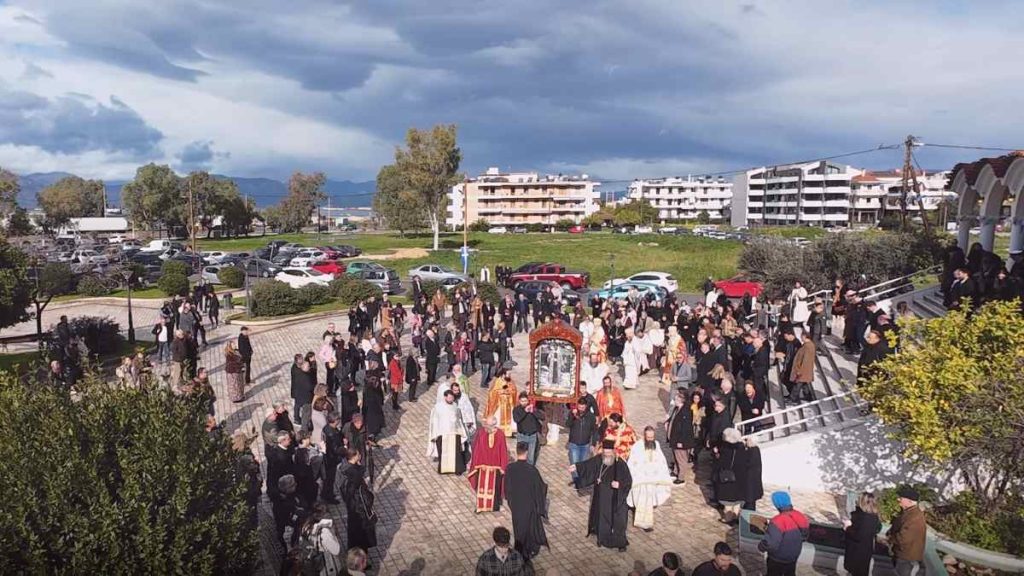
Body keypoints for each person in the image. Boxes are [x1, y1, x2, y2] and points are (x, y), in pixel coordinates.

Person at [572, 439, 632, 551]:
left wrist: (619, 484)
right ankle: (603, 538)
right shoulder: (600, 459)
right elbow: (589, 464)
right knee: (602, 518)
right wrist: (576, 466)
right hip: (602, 496)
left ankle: (620, 542)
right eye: (605, 453)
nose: (607, 455)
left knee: (619, 520)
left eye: (609, 453)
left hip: (616, 497)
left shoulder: (620, 463)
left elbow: (628, 480)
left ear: (613, 451)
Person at [504, 442, 548, 561]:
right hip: (529, 504)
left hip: (516, 504)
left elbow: (507, 488)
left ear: (516, 451)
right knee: (528, 527)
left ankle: (519, 549)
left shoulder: (510, 468)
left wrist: (510, 501)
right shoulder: (532, 470)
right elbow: (540, 488)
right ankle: (529, 549)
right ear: (527, 452)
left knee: (518, 526)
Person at [626, 426, 673, 532]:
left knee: (649, 502)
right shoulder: (638, 446)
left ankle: (646, 523)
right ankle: (644, 523)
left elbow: (661, 460)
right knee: (641, 501)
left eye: (652, 437)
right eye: (648, 437)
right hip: (641, 480)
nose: (651, 440)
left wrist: (662, 474)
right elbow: (633, 462)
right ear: (644, 436)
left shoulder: (656, 444)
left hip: (652, 479)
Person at [335, 448, 377, 564]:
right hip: (358, 507)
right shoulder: (355, 474)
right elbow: (363, 493)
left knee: (353, 532)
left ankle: (353, 552)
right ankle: (361, 560)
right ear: (354, 457)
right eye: (358, 454)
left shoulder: (343, 468)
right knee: (362, 535)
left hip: (351, 506)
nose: (360, 456)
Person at [757, 491, 810, 576]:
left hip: (777, 558)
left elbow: (771, 544)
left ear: (776, 504)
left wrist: (761, 547)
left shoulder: (777, 521)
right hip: (793, 555)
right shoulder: (801, 516)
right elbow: (804, 536)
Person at [468, 417, 511, 513]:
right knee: (481, 488)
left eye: (488, 425)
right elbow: (477, 448)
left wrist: (503, 466)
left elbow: (503, 451)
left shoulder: (500, 434)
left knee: (495, 488)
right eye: (485, 424)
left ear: (493, 425)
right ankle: (480, 506)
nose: (486, 427)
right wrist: (476, 463)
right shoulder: (481, 433)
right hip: (482, 466)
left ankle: (493, 506)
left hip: (495, 468)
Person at [887, 485, 927, 576]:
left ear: (909, 501)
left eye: (901, 498)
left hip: (906, 557)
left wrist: (890, 538)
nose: (898, 499)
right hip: (903, 554)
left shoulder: (914, 517)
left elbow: (904, 538)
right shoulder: (909, 513)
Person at [428, 389, 469, 474]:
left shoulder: (455, 406)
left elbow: (459, 419)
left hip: (454, 432)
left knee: (456, 453)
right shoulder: (438, 407)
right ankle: (444, 469)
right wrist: (434, 434)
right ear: (445, 397)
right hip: (442, 433)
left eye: (452, 397)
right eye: (449, 397)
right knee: (444, 452)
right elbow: (434, 421)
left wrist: (461, 430)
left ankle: (457, 469)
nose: (451, 399)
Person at [713, 428, 748, 524]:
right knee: (737, 500)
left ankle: (728, 518)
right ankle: (735, 516)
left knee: (728, 500)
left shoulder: (726, 450)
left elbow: (721, 464)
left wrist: (716, 454)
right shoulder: (743, 448)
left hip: (729, 478)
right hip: (740, 478)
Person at [844, 491, 882, 576]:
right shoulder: (875, 516)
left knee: (855, 571)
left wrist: (848, 528)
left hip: (856, 550)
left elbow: (858, 535)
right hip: (867, 549)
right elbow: (877, 529)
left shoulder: (862, 517)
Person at [665, 387, 697, 483]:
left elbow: (686, 429)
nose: (674, 398)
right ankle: (676, 471)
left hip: (680, 440)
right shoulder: (677, 408)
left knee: (681, 458)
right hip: (674, 437)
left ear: (681, 399)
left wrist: (680, 441)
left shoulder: (686, 411)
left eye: (676, 397)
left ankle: (681, 477)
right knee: (676, 456)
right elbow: (673, 418)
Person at [297, 508, 342, 576]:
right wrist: (333, 534)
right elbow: (336, 550)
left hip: (308, 560)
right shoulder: (324, 532)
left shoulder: (306, 525)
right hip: (322, 565)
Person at [566, 396, 599, 488]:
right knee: (575, 463)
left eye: (583, 407)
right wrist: (573, 416)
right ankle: (577, 482)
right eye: (579, 407)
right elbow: (568, 424)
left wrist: (593, 444)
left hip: (585, 445)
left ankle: (582, 481)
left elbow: (594, 431)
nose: (581, 409)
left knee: (583, 464)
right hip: (574, 444)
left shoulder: (591, 416)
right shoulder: (572, 413)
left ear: (586, 406)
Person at [484, 372, 519, 436]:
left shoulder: (511, 381)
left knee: (511, 418)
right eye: (508, 374)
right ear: (503, 374)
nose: (509, 376)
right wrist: (501, 391)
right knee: (498, 417)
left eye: (510, 374)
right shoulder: (498, 381)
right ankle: (499, 431)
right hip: (500, 403)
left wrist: (510, 391)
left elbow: (515, 390)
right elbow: (492, 392)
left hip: (509, 403)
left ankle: (508, 432)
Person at [512, 392, 541, 465]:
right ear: (519, 401)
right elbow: (516, 419)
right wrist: (525, 411)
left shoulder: (533, 408)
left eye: (525, 401)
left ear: (528, 400)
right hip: (522, 436)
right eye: (522, 401)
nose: (524, 403)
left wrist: (533, 411)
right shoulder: (517, 409)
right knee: (521, 457)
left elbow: (542, 417)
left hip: (532, 436)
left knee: (530, 458)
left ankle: (529, 470)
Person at [789, 332, 816, 404]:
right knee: (804, 384)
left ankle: (793, 399)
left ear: (805, 336)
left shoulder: (808, 346)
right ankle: (808, 396)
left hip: (803, 370)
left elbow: (806, 360)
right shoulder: (807, 345)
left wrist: (800, 371)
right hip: (804, 370)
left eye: (801, 336)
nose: (801, 338)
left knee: (797, 384)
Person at [743, 436, 764, 511]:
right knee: (751, 501)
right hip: (753, 479)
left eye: (747, 440)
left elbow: (747, 463)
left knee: (750, 501)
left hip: (750, 480)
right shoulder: (755, 449)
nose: (746, 442)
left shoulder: (752, 451)